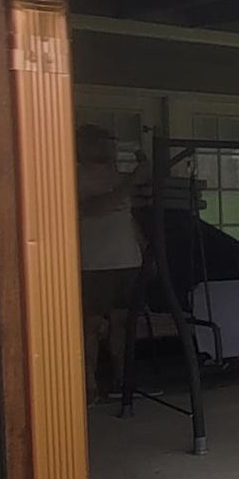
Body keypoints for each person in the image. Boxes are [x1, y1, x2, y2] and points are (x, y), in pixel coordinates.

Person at [77, 124, 142, 402]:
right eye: (101, 141)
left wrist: (144, 246)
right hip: (94, 261)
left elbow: (124, 215)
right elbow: (92, 208)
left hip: (127, 259)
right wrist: (132, 181)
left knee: (123, 322)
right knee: (90, 324)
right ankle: (89, 386)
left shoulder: (115, 174)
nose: (108, 147)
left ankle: (123, 382)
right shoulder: (72, 175)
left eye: (109, 141)